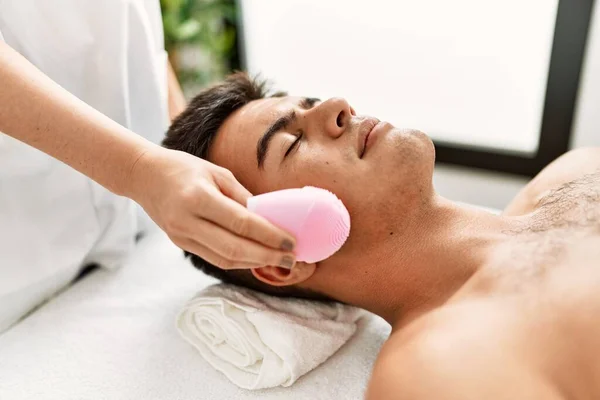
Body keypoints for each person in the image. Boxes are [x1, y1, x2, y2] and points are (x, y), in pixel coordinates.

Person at [163, 72, 600, 399]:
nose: (339, 105)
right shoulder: (437, 369)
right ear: (281, 257)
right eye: (291, 143)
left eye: (313, 103)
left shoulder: (573, 173)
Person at [0, 1, 295, 333]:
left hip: (133, 228)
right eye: (291, 144)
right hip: (20, 257)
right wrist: (137, 170)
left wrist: (185, 150)